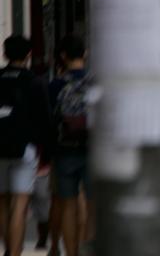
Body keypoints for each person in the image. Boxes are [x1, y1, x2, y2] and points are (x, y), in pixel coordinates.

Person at [0, 35, 52, 256]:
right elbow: (45, 120)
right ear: (29, 55)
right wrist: (47, 154)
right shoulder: (35, 81)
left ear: (5, 54)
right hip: (26, 148)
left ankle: (7, 249)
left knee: (2, 203)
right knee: (20, 206)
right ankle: (15, 252)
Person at [48, 34, 91, 256]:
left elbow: (48, 119)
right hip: (92, 150)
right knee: (91, 205)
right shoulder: (95, 81)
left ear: (63, 57)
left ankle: (71, 252)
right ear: (85, 53)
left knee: (68, 204)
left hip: (64, 150)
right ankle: (88, 249)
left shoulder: (56, 85)